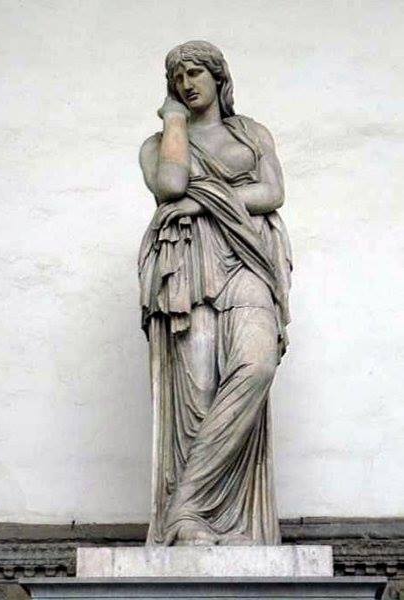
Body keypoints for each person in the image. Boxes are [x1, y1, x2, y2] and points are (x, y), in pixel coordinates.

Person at [138, 40, 292, 546]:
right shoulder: (157, 144)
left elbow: (272, 193)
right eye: (178, 77)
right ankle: (193, 521)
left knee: (256, 366)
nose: (187, 83)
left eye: (196, 72)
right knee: (199, 396)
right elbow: (171, 185)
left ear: (219, 76)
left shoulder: (251, 133)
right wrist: (173, 121)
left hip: (248, 256)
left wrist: (204, 201)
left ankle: (185, 505)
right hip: (186, 265)